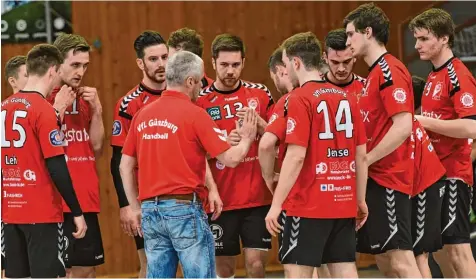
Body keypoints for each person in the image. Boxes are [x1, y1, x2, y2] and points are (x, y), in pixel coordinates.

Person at [119, 50, 258, 278]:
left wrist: (135, 208)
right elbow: (231, 158)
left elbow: (124, 166)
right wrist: (247, 138)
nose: (202, 87)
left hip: (150, 212)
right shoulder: (195, 115)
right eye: (200, 81)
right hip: (184, 209)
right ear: (190, 81)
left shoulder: (143, 115)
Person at [264, 32, 368, 278]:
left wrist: (276, 204)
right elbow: (360, 156)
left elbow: (296, 156)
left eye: (286, 63)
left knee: (297, 270)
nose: (286, 69)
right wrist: (360, 200)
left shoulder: (299, 98)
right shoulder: (347, 97)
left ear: (296, 63)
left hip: (307, 204)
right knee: (344, 269)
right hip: (343, 201)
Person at [344, 3, 422, 277]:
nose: (347, 41)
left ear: (368, 32)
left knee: (401, 259)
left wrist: (367, 158)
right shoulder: (373, 74)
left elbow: (403, 126)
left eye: (351, 34)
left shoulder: (389, 70)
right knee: (385, 262)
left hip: (390, 177)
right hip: (375, 179)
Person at [1, 43, 87, 278]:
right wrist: (77, 212)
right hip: (41, 213)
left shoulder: (3, 108)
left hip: (10, 214)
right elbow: (57, 166)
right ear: (52, 70)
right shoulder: (44, 110)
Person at [196, 33, 274, 278]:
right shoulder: (200, 102)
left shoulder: (261, 95)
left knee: (257, 266)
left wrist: (260, 126)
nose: (230, 71)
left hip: (258, 198)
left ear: (243, 62)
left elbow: (279, 137)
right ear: (212, 63)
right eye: (224, 65)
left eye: (235, 65)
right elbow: (192, 152)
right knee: (224, 269)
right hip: (221, 200)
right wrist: (219, 145)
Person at [411, 8, 476, 277]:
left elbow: (472, 126)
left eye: (424, 39)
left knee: (458, 249)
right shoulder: (433, 77)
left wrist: (423, 121)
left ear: (444, 39)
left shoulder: (457, 75)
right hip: (433, 176)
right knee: (439, 250)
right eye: (416, 39)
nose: (417, 45)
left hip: (454, 176)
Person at [45, 33, 105, 278]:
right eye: (75, 65)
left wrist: (98, 111)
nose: (81, 71)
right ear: (57, 64)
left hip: (86, 197)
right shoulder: (44, 97)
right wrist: (56, 109)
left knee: (87, 271)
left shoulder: (84, 100)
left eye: (85, 65)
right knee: (62, 272)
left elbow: (97, 148)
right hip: (57, 201)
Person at [110, 30, 168, 278]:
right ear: (140, 63)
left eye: (165, 57)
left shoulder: (185, 94)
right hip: (146, 201)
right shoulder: (129, 104)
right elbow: (117, 160)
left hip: (185, 198)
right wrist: (126, 205)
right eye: (153, 59)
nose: (161, 64)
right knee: (150, 266)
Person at [409, 75, 447, 278]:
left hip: (426, 186)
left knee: (419, 256)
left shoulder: (411, 122)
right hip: (424, 187)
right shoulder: (407, 120)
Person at [322, 28, 366, 96]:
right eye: (335, 62)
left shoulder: (367, 88)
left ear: (355, 56)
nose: (341, 69)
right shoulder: (311, 88)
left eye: (346, 61)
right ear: (325, 57)